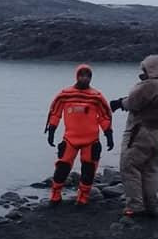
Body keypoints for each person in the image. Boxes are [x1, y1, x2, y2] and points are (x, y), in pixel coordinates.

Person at [110, 55, 158, 218]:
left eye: (145, 69)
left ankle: (135, 206)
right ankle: (151, 206)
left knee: (129, 166)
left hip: (141, 132)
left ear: (150, 69)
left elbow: (134, 101)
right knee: (150, 170)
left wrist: (118, 103)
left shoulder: (151, 85)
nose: (143, 71)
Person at [44, 64, 114, 206]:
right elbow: (55, 112)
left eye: (87, 76)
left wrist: (109, 134)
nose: (84, 78)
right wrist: (51, 130)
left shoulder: (96, 97)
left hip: (91, 140)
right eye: (82, 75)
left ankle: (83, 198)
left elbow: (104, 116)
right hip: (70, 139)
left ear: (90, 78)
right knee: (62, 168)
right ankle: (55, 195)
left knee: (88, 170)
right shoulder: (65, 94)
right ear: (77, 76)